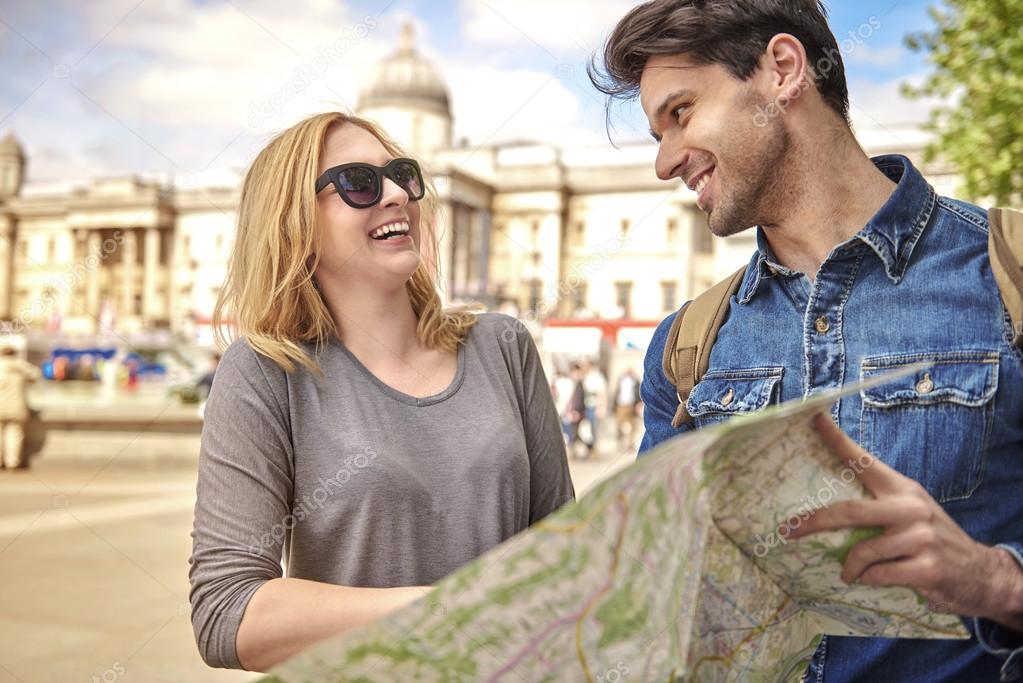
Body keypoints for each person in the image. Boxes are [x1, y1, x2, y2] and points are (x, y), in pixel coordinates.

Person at [591, 1, 1023, 681]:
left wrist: (993, 580)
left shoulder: (1007, 275)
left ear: (783, 71)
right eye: (656, 134)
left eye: (679, 114)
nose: (664, 163)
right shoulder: (686, 347)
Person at [188, 112, 574, 672]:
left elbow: (562, 553)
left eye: (402, 174)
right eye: (359, 183)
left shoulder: (504, 345)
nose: (395, 193)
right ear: (295, 225)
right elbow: (227, 613)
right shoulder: (266, 371)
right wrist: (451, 607)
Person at [0, 346, 40, 470]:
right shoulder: (21, 366)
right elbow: (36, 375)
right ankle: (12, 462)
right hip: (17, 407)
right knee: (15, 434)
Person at [612, 367, 642, 452]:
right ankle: (620, 443)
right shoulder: (621, 380)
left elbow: (639, 393)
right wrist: (614, 406)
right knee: (619, 425)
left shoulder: (636, 381)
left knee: (633, 427)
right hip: (621, 405)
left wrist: (638, 404)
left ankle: (630, 445)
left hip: (631, 405)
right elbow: (616, 392)